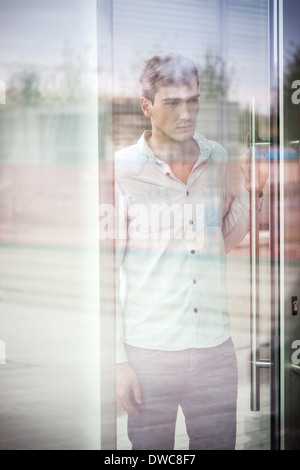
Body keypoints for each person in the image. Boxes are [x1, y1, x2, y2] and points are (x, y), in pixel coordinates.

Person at [114, 54, 268, 450]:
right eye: (173, 103)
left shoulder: (215, 157)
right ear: (146, 106)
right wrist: (118, 361)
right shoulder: (122, 170)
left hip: (215, 351)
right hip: (150, 354)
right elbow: (105, 271)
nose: (187, 113)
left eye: (194, 101)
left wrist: (253, 193)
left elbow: (224, 240)